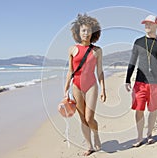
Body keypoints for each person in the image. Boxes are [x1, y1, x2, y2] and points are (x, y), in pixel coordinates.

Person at [125, 15, 157, 147]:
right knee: (139, 109)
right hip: (140, 82)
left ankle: (150, 134)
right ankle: (140, 136)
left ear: (156, 25)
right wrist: (127, 79)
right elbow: (132, 61)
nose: (147, 25)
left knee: (153, 109)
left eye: (150, 23)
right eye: (145, 23)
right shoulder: (138, 42)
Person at [64, 14, 106, 156]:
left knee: (89, 118)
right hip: (76, 86)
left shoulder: (97, 50)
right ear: (78, 32)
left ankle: (96, 133)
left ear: (93, 32)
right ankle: (89, 146)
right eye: (83, 30)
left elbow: (100, 72)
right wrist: (65, 89)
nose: (86, 33)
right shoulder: (72, 49)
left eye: (89, 30)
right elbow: (70, 71)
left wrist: (103, 89)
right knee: (82, 119)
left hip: (91, 86)